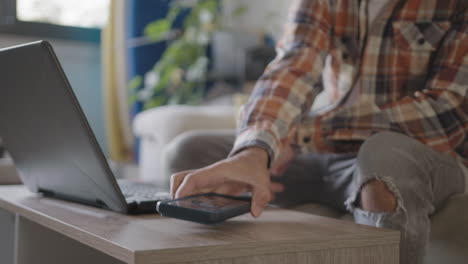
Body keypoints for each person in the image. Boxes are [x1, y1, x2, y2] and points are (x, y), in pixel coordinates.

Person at [166, 0, 468, 263]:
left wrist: (302, 135)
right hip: (330, 155)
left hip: (426, 156)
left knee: (384, 156)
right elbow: (295, 64)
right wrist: (255, 151)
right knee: (191, 151)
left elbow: (446, 112)